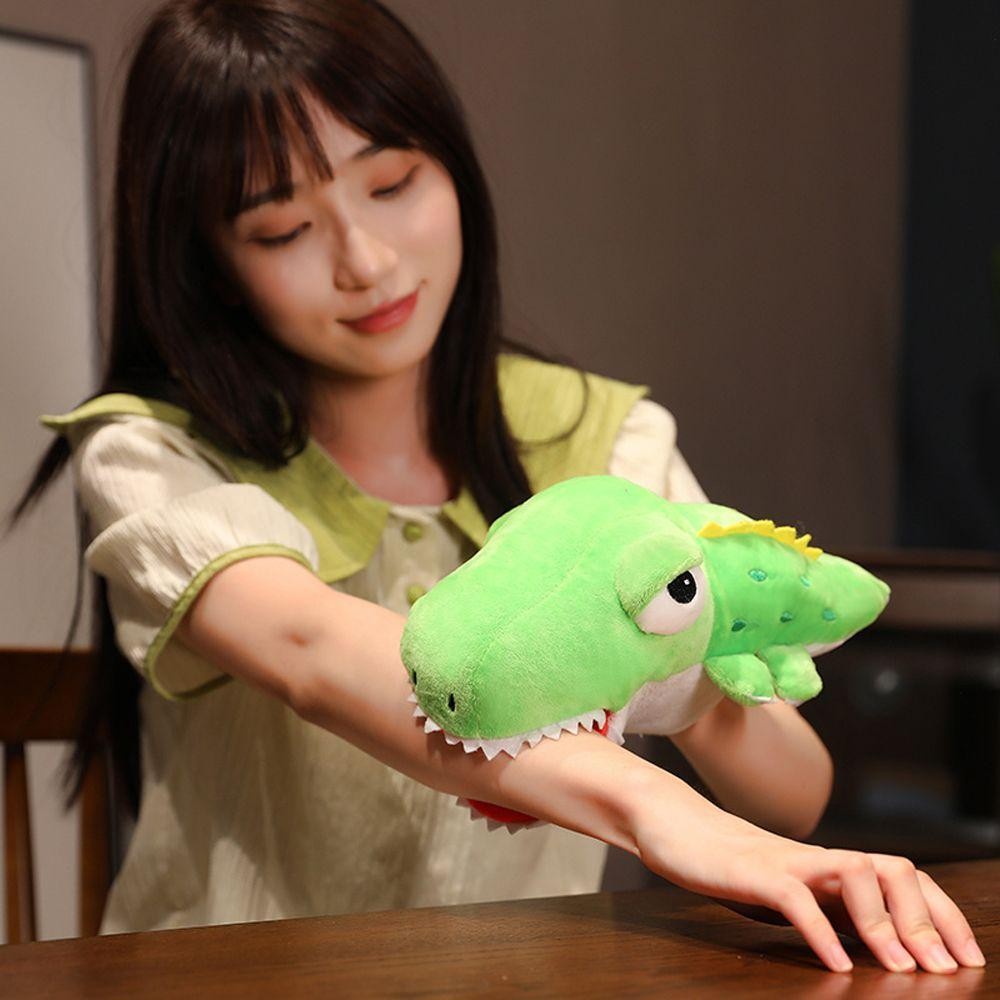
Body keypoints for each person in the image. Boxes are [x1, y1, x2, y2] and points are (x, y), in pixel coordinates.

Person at [16, 0, 982, 974]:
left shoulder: (598, 441)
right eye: (283, 229)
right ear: (212, 263)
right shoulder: (151, 455)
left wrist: (676, 671)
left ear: (450, 163)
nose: (367, 261)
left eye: (392, 183)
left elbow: (792, 795)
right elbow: (312, 650)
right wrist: (655, 809)